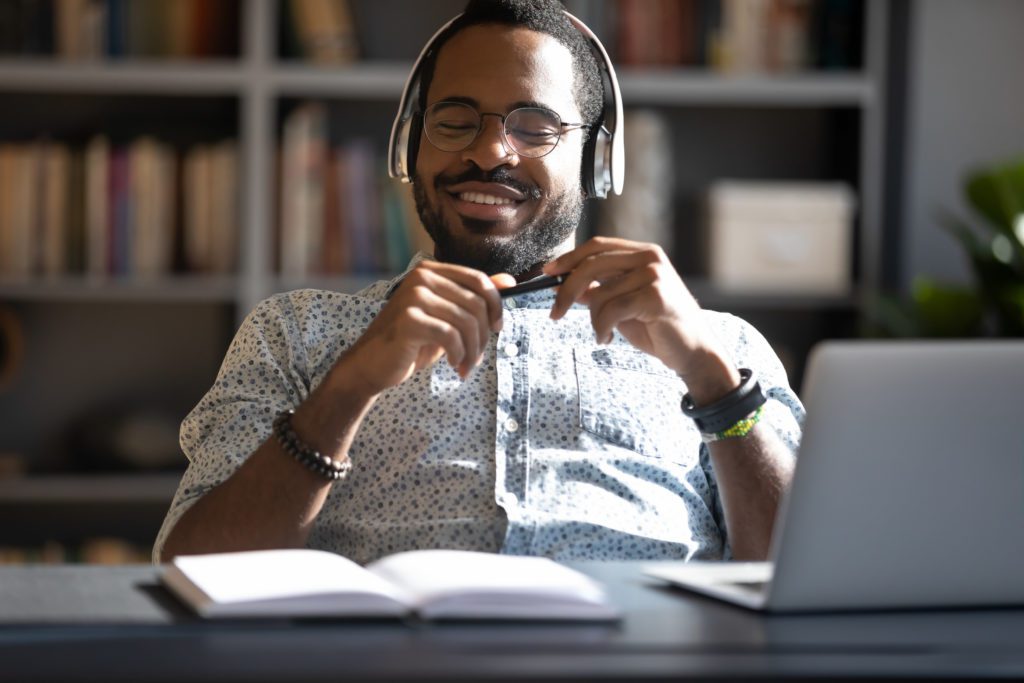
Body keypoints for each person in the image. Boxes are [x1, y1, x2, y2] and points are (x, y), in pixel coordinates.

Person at [156, 0, 803, 565]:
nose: (492, 152)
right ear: (410, 149)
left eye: (534, 126)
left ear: (598, 161)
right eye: (455, 120)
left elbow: (809, 577)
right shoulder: (296, 334)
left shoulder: (720, 349)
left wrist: (719, 390)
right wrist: (347, 388)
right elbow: (190, 567)